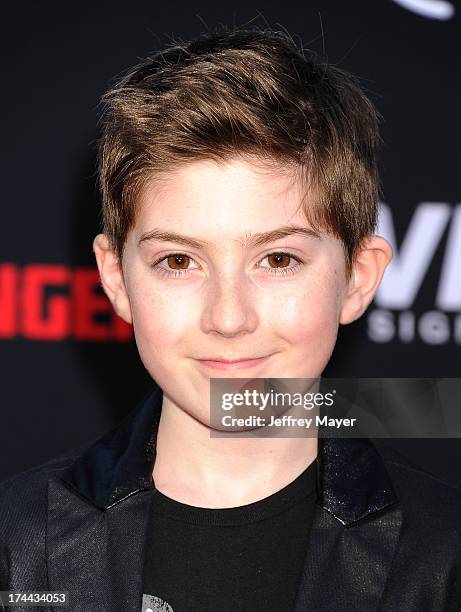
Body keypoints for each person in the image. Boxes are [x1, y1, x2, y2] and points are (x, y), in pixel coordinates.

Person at [1, 25, 461, 612]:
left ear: (358, 278)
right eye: (177, 260)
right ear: (117, 279)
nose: (228, 316)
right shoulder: (14, 547)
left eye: (277, 259)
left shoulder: (444, 558)